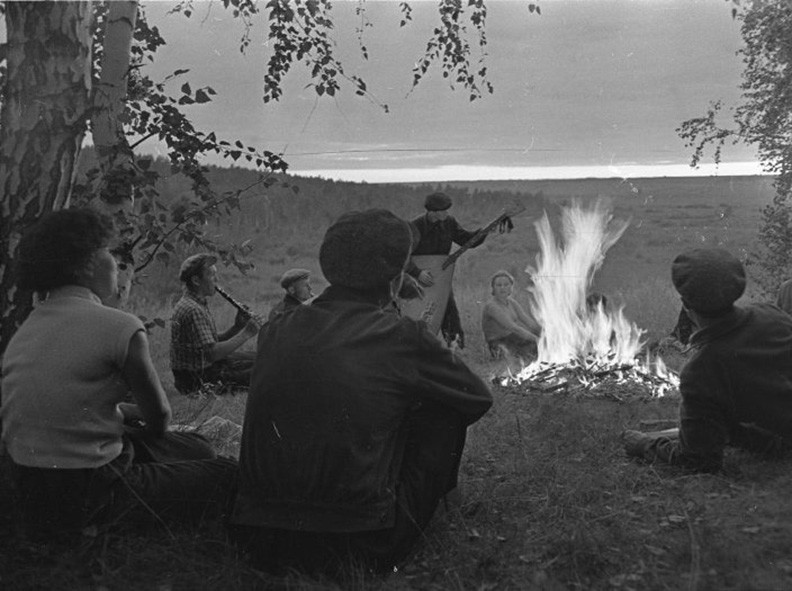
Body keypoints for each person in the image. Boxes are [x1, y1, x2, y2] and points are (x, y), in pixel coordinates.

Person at [231, 209, 493, 575]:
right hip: (359, 543)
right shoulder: (401, 336)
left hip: (257, 539)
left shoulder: (276, 328)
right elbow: (478, 397)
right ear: (396, 276)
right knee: (444, 412)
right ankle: (444, 507)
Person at [0, 209, 237, 540]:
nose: (117, 263)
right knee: (226, 471)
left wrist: (122, 412)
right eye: (109, 254)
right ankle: (110, 523)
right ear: (86, 265)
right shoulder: (119, 325)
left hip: (34, 488)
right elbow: (160, 420)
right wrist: (136, 417)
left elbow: (68, 403)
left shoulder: (26, 331)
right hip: (94, 491)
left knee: (196, 447)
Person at [620, 248, 792, 473]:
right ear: (736, 287)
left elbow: (699, 459)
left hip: (786, 442)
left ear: (686, 304)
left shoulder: (702, 369)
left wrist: (643, 444)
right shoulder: (771, 314)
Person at [407, 192, 488, 348]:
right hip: (416, 280)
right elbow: (403, 255)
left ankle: (456, 346)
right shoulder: (414, 227)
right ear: (432, 211)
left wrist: (483, 232)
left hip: (440, 276)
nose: (446, 213)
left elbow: (466, 240)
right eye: (443, 210)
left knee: (448, 310)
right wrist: (417, 273)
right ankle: (416, 348)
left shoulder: (449, 222)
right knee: (420, 314)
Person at [169, 254, 259, 394]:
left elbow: (206, 343)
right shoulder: (193, 309)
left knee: (260, 357)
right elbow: (212, 354)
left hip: (198, 372)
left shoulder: (193, 303)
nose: (217, 280)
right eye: (212, 275)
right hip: (198, 380)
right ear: (196, 280)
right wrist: (246, 333)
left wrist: (237, 327)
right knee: (265, 368)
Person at [482, 270, 541, 361]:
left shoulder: (512, 303)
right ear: (493, 288)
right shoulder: (492, 306)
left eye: (506, 285)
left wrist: (545, 333)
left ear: (511, 287)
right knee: (537, 348)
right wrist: (538, 340)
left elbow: (528, 321)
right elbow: (514, 328)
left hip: (513, 338)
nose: (503, 288)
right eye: (499, 285)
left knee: (542, 345)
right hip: (499, 343)